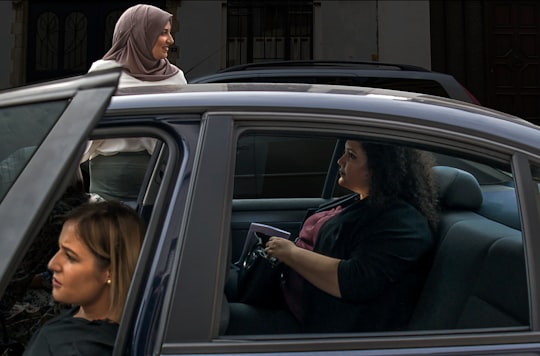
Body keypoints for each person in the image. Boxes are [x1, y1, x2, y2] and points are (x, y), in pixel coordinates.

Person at [227, 140, 439, 334]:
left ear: (380, 168)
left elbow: (355, 280)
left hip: (315, 323)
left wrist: (291, 253)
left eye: (351, 156)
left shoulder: (404, 225)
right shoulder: (360, 201)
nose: (340, 160)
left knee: (222, 320)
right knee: (210, 286)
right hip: (286, 294)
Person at [83, 3, 187, 201]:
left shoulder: (176, 77)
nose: (170, 40)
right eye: (163, 33)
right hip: (107, 189)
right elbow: (81, 128)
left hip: (159, 181)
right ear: (141, 35)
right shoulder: (103, 73)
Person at [23, 201, 145, 356]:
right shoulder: (136, 326)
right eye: (59, 250)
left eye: (70, 256)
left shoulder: (65, 347)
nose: (53, 264)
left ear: (110, 271)